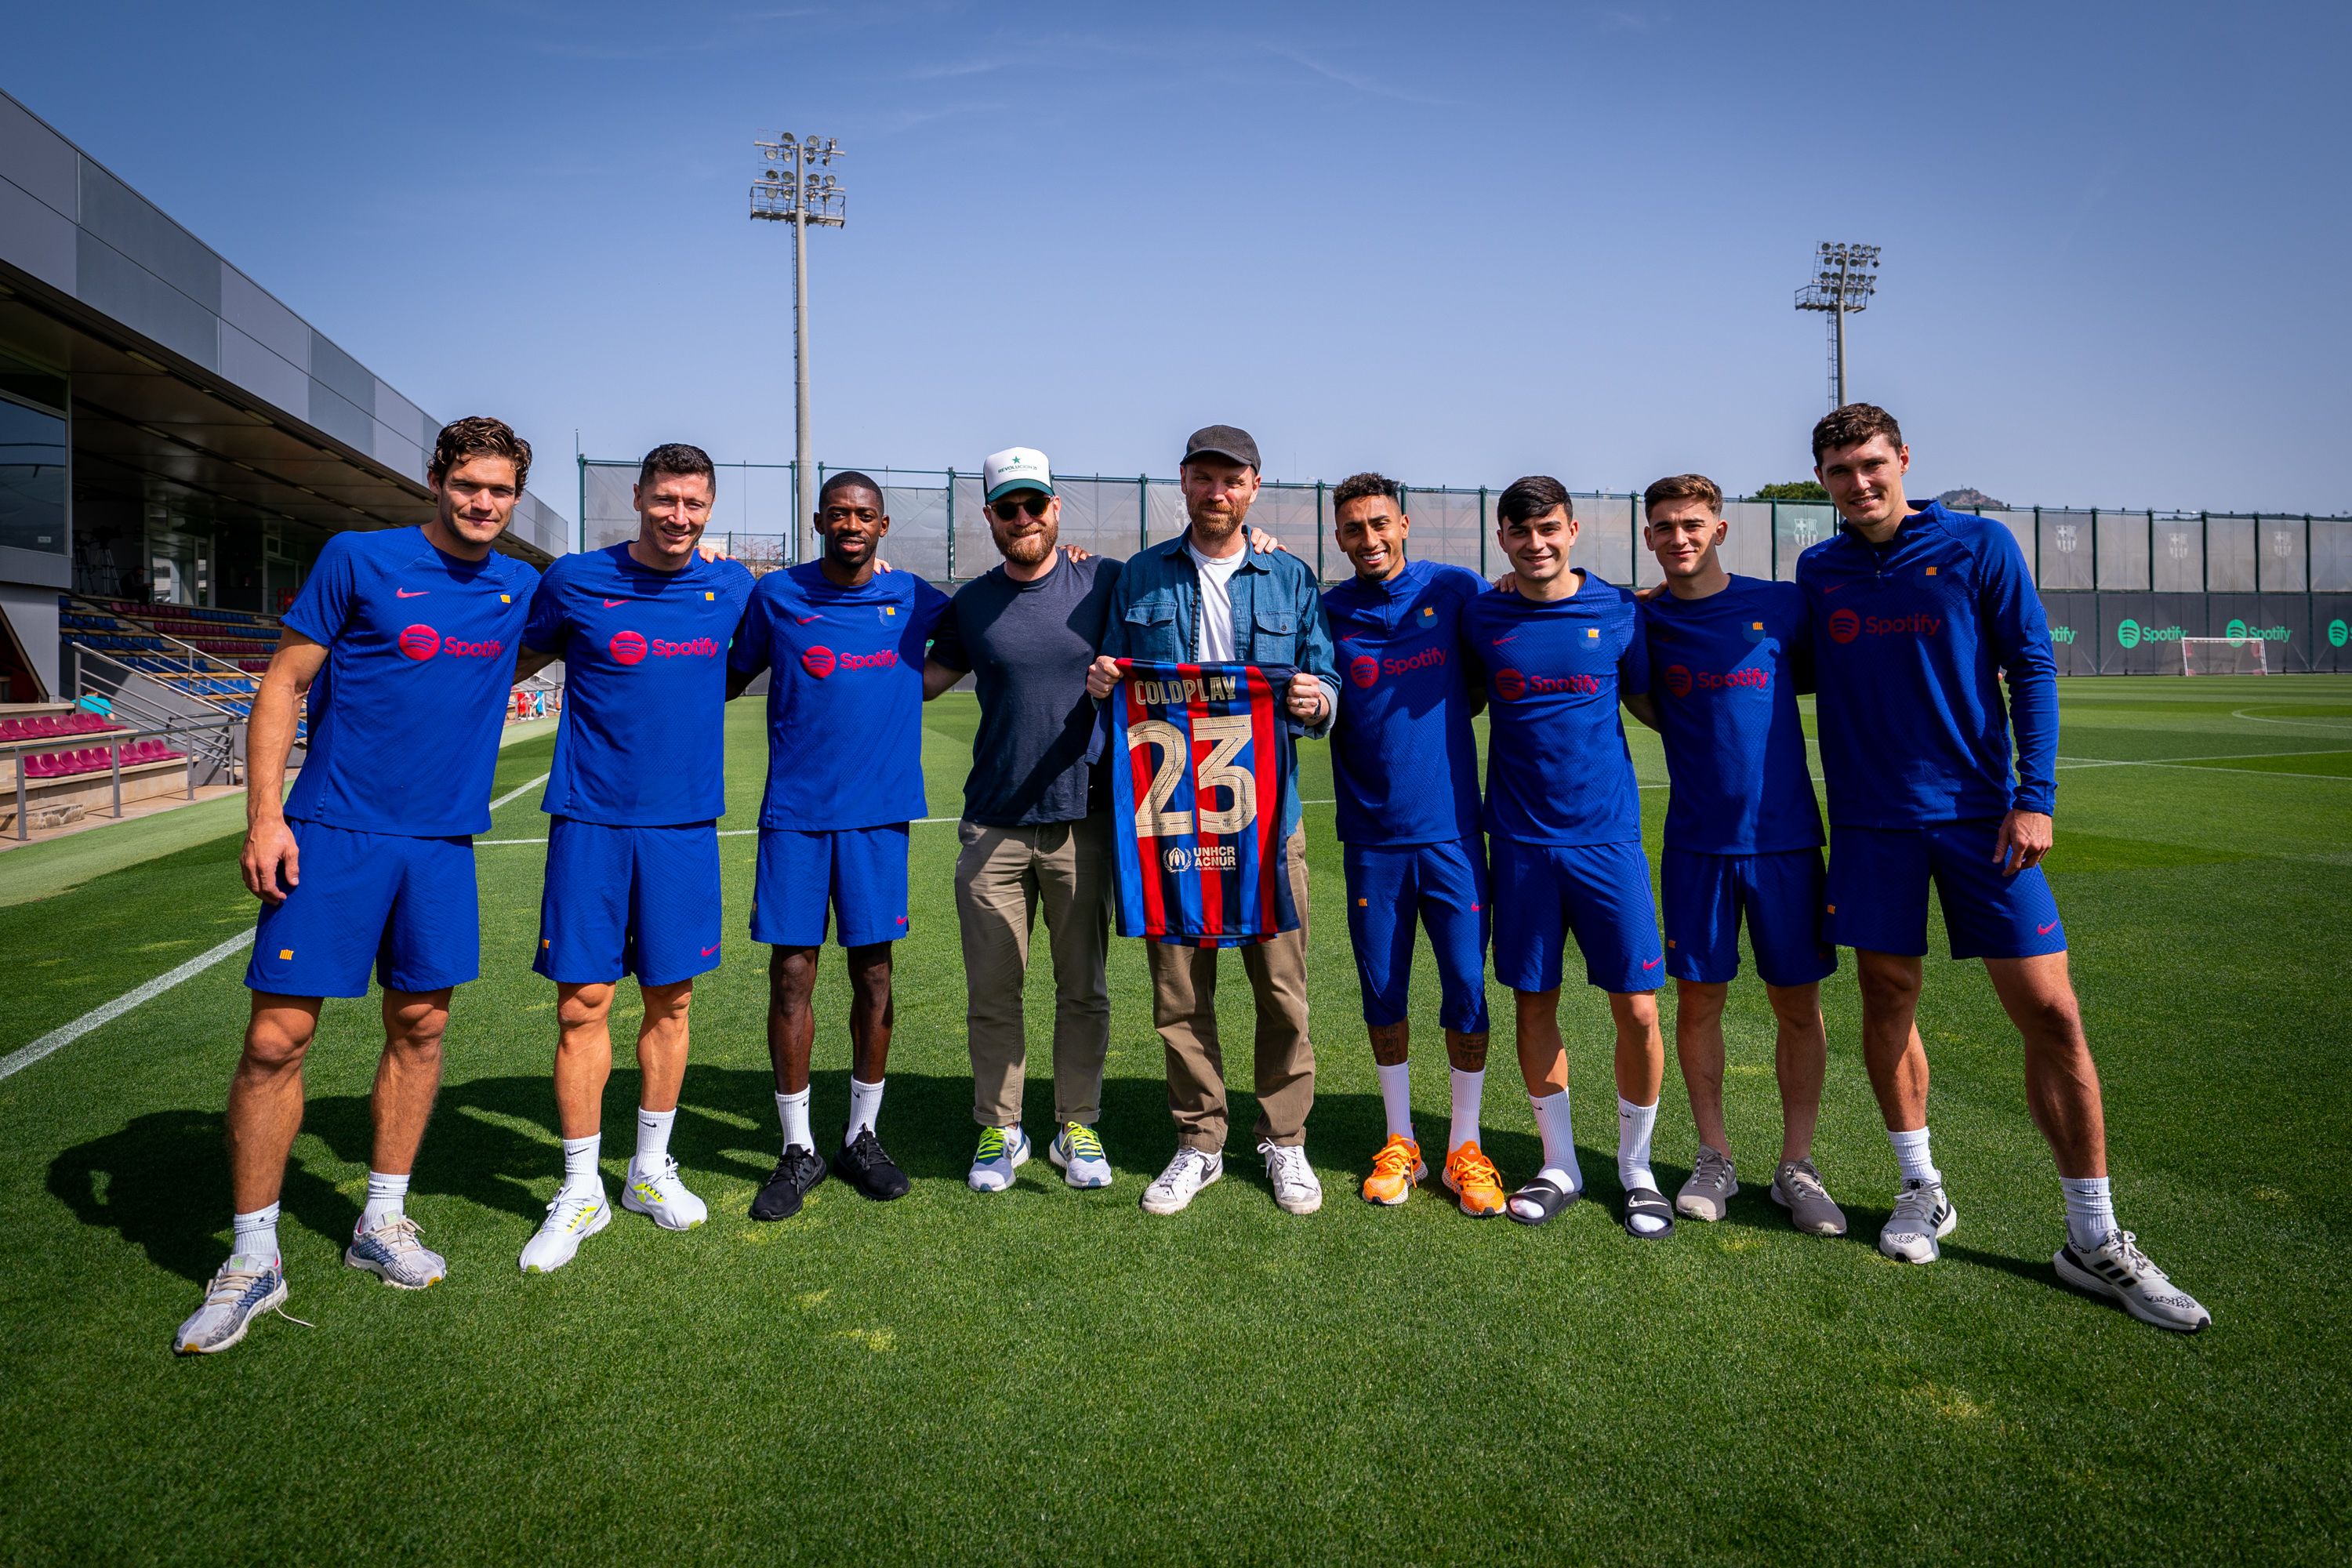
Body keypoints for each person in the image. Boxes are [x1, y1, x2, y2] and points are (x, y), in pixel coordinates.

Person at [1799, 404, 2208, 1330]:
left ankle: (2093, 1236)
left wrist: (2038, 794)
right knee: (1887, 997)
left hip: (1987, 820)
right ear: (1822, 480)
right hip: (1872, 825)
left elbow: (2031, 667)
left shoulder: (1979, 545)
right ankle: (1920, 1187)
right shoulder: (1818, 569)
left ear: (1903, 459)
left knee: (2053, 1014)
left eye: (1871, 463)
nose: (1859, 482)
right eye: (1839, 470)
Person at [176, 416, 542, 1354]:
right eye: (469, 484)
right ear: (436, 479)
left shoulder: (519, 587)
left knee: (420, 1026)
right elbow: (282, 683)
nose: (483, 503)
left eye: (500, 489)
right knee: (276, 1037)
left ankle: (381, 1221)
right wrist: (266, 817)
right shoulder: (359, 558)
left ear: (515, 494)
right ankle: (252, 1255)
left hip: (441, 845)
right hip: (333, 831)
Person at [510, 443, 755, 1272]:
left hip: (684, 826)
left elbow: (794, 627)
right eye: (665, 500)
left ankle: (649, 1169)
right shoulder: (576, 579)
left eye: (693, 503)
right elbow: (513, 658)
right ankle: (580, 1186)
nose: (678, 517)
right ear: (639, 499)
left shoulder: (731, 587)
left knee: (672, 1002)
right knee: (583, 1003)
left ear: (710, 506)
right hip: (590, 819)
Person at [1086, 424, 1339, 1216]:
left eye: (1232, 478)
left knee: (1282, 989)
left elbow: (1323, 669)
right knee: (1180, 992)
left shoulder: (1290, 576)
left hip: (1267, 818)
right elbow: (1111, 670)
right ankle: (1199, 1142)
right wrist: (1102, 679)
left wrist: (1317, 697)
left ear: (1253, 487)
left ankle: (1284, 1140)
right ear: (1185, 484)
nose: (1217, 490)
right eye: (1203, 477)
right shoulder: (1140, 576)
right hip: (1169, 818)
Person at [1623, 473, 1847, 1236]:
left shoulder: (1782, 605)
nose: (1678, 536)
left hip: (1786, 840)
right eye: (1664, 526)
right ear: (1648, 536)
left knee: (1797, 1004)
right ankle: (1713, 1156)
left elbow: (1836, 674)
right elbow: (1646, 698)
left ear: (1719, 529)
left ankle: (1797, 1163)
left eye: (1692, 523)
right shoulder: (1641, 619)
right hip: (1696, 844)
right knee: (1700, 1001)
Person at [728, 472, 951, 1220]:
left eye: (865, 515)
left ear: (883, 526)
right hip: (794, 816)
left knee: (875, 977)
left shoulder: (915, 596)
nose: (851, 524)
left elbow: (993, 621)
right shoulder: (778, 595)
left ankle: (862, 1136)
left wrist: (923, 679)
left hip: (878, 817)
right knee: (791, 975)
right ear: (819, 519)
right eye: (839, 513)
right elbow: (728, 674)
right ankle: (798, 1148)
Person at [1459, 476, 1672, 1236]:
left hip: (1607, 841)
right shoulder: (1482, 615)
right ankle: (1561, 1163)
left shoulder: (1619, 610)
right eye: (1520, 531)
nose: (1536, 542)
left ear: (1573, 529)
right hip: (1519, 843)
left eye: (1548, 527)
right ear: (1503, 537)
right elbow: (1465, 694)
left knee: (1640, 1009)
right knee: (1533, 1000)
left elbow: (1654, 702)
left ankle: (1637, 1167)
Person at [921, 447, 1122, 1192]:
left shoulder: (1104, 580)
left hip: (1083, 819)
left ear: (1055, 507)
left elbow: (1187, 575)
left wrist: (1259, 538)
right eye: (1009, 507)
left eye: (1036, 504)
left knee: (1084, 988)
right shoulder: (970, 604)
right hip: (994, 825)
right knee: (994, 990)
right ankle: (1001, 1130)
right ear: (990, 517)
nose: (1025, 518)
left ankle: (1078, 1124)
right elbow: (924, 683)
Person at [1317, 473, 1504, 1217]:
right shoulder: (1327, 609)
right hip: (1371, 840)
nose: (1369, 540)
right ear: (1339, 536)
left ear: (1404, 524)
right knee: (1383, 990)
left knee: (1465, 985)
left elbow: (1509, 643)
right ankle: (1401, 1140)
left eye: (1380, 525)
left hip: (1455, 833)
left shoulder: (1456, 589)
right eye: (1354, 529)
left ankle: (1465, 1145)